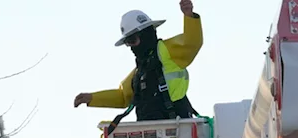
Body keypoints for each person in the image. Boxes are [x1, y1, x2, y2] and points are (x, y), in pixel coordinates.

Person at [74, 1, 204, 122]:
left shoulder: (166, 51)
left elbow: (191, 43)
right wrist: (92, 98)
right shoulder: (140, 72)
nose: (131, 47)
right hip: (149, 134)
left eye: (132, 40)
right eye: (127, 43)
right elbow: (123, 96)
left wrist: (189, 16)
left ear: (146, 35)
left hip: (176, 128)